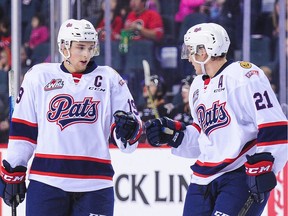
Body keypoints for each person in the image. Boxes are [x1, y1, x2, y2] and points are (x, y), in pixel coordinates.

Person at [0, 18, 142, 216]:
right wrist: (14, 169)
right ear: (64, 47)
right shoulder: (39, 76)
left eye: (91, 47)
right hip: (47, 183)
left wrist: (129, 130)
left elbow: (128, 143)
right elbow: (24, 131)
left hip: (96, 185)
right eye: (80, 47)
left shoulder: (110, 78)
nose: (86, 54)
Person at [144, 22, 288, 216]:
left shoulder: (244, 75)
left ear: (204, 51)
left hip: (239, 176)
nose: (188, 58)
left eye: (191, 51)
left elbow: (275, 125)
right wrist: (173, 135)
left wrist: (264, 169)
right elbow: (204, 137)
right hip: (202, 180)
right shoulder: (197, 86)